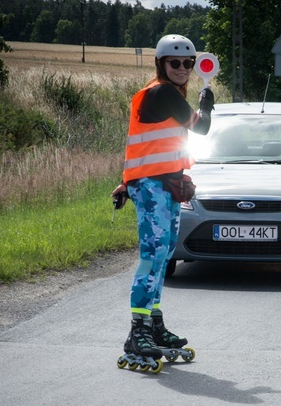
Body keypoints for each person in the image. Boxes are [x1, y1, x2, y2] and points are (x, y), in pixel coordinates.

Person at [111, 34, 214, 365]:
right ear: (161, 64)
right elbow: (202, 128)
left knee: (166, 251)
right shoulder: (162, 92)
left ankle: (153, 323)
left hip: (162, 183)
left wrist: (128, 183)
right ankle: (137, 331)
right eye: (176, 63)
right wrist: (206, 102)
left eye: (189, 63)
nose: (183, 68)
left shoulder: (164, 93)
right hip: (153, 186)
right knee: (154, 253)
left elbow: (147, 148)